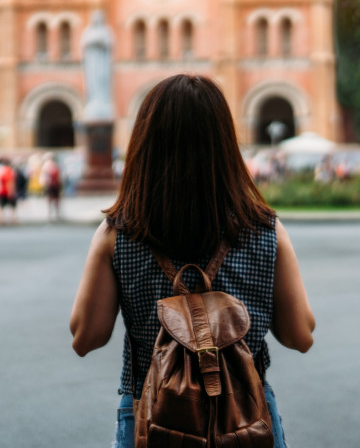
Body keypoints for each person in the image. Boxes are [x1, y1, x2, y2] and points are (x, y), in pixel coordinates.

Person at [70, 74, 315, 448]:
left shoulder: (119, 233)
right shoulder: (265, 229)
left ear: (145, 144)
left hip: (151, 416)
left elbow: (85, 337)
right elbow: (301, 336)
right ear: (225, 143)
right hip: (245, 419)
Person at [40, 153, 61, 219]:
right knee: (53, 199)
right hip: (52, 184)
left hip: (52, 184)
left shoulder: (51, 165)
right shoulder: (52, 165)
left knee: (52, 199)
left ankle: (52, 213)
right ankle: (53, 213)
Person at [0, 158, 18, 224]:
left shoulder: (1, 170)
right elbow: (10, 182)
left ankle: (1, 220)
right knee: (13, 206)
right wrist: (11, 192)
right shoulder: (9, 171)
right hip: (7, 191)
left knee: (2, 206)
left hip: (1, 191)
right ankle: (12, 219)